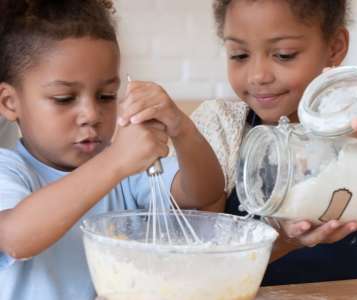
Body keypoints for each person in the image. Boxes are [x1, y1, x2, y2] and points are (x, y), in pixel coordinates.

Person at [192, 0, 357, 286]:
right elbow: (201, 268)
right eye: (239, 55)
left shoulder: (353, 128)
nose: (258, 76)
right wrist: (282, 242)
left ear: (335, 47)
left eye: (283, 55)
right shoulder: (220, 128)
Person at [0, 1, 224, 299]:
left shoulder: (128, 173)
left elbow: (203, 193)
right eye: (65, 98)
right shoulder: (9, 169)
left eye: (106, 96)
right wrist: (115, 161)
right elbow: (17, 238)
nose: (91, 114)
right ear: (9, 103)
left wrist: (181, 128)